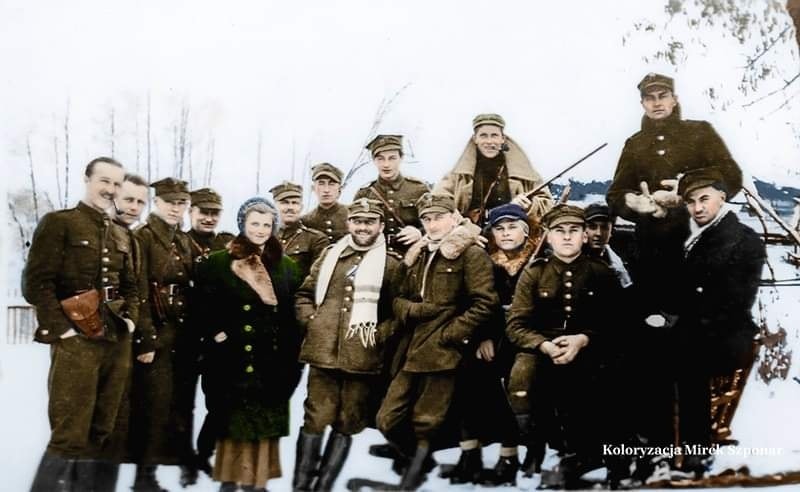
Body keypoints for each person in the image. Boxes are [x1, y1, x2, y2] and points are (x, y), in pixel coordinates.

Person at [606, 72, 744, 449]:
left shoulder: (700, 132)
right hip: (652, 260)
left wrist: (685, 189)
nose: (657, 103)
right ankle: (657, 440)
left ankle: (697, 443)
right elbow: (615, 193)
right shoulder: (635, 144)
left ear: (674, 98)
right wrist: (636, 204)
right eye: (649, 98)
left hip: (700, 255)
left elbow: (731, 178)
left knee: (693, 348)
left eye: (662, 95)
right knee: (653, 346)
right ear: (642, 103)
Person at [24, 157, 139, 492]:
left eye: (116, 184)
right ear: (87, 179)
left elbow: (131, 286)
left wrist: (130, 320)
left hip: (115, 340)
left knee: (102, 429)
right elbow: (36, 284)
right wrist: (64, 330)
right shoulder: (60, 223)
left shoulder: (120, 233)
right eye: (104, 181)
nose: (110, 189)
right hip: (77, 343)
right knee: (69, 432)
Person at [371, 192, 499, 490]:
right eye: (426, 219)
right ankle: (421, 462)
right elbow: (398, 298)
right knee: (387, 419)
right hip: (412, 349)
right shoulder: (420, 253)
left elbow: (485, 303)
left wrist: (450, 334)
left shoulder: (471, 254)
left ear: (454, 218)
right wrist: (413, 310)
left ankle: (412, 479)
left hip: (444, 353)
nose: (432, 224)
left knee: (426, 422)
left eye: (438, 217)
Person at [505, 204, 622, 489]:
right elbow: (516, 325)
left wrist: (583, 339)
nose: (567, 237)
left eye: (574, 230)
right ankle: (536, 446)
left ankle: (595, 455)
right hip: (542, 347)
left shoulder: (601, 273)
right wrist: (543, 345)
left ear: (584, 236)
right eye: (559, 231)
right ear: (548, 236)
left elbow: (617, 323)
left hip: (589, 346)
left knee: (605, 381)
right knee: (522, 378)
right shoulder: (534, 273)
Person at [292, 198, 405, 491]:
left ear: (380, 225)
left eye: (369, 222)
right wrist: (312, 321)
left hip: (362, 358)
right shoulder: (331, 255)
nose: (363, 227)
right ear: (349, 223)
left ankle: (323, 487)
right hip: (323, 353)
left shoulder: (392, 264)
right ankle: (300, 487)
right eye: (357, 221)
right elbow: (304, 294)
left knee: (347, 421)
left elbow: (399, 312)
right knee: (315, 419)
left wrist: (378, 334)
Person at [194, 197, 304, 492]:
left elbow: (291, 318)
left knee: (262, 423)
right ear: (243, 224)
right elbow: (201, 306)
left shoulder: (287, 267)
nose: (260, 230)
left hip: (270, 361)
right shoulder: (219, 262)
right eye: (254, 223)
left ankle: (257, 483)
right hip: (231, 360)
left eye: (267, 225)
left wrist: (291, 362)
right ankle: (229, 481)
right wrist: (216, 333)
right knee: (232, 421)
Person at [669, 168, 765, 474]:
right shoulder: (695, 234)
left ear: (722, 198)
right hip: (699, 325)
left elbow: (734, 300)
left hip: (728, 333)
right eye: (691, 202)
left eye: (704, 199)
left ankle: (696, 449)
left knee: (687, 360)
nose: (697, 208)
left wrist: (675, 318)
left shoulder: (742, 239)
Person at [443, 203, 543, 486]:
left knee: (514, 384)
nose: (506, 233)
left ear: (526, 231)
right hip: (492, 334)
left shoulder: (539, 260)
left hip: (527, 336)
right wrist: (483, 336)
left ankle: (512, 455)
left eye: (513, 227)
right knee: (464, 375)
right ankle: (470, 453)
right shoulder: (484, 260)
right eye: (500, 228)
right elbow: (477, 302)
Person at [129, 177, 195, 491]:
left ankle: (171, 465)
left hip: (181, 333)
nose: (175, 208)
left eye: (181, 203)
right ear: (156, 202)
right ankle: (144, 477)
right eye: (170, 202)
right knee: (153, 407)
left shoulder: (182, 239)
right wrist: (145, 339)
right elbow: (138, 290)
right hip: (155, 334)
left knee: (178, 405)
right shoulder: (143, 237)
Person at [184, 187, 236, 479]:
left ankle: (204, 453)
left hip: (217, 340)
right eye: (203, 212)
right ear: (191, 212)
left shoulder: (227, 243)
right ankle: (183, 460)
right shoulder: (179, 243)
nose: (208, 218)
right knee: (181, 405)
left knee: (220, 403)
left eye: (214, 213)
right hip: (184, 336)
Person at [434, 113, 553, 226]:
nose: (489, 141)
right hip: (468, 234)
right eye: (483, 136)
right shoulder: (458, 175)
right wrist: (457, 218)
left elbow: (548, 206)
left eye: (494, 135)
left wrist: (530, 206)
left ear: (503, 139)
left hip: (512, 234)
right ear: (475, 139)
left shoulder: (525, 173)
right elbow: (436, 202)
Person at [353, 134, 430, 253]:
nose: (386, 164)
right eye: (380, 159)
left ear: (401, 158)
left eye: (392, 158)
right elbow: (355, 228)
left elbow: (436, 222)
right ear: (374, 160)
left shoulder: (418, 189)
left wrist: (420, 232)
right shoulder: (364, 193)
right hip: (376, 254)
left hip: (412, 254)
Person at [269, 180, 329, 281]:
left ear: (301, 207)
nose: (290, 207)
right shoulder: (264, 237)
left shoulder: (316, 240)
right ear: (273, 207)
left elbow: (317, 279)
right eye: (284, 203)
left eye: (295, 203)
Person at [582, 202, 632, 288]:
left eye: (604, 227)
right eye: (592, 227)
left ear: (611, 232)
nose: (598, 233)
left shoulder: (618, 264)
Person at [301, 162, 349, 242]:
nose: (326, 190)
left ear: (340, 188)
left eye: (331, 184)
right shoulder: (306, 221)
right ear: (313, 188)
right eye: (321, 183)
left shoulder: (352, 215)